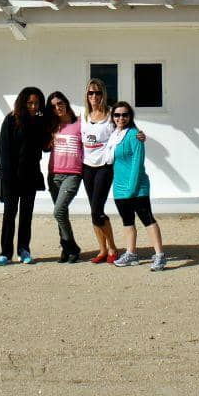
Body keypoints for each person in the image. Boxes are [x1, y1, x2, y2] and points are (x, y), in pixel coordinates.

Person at [108, 101, 166, 271]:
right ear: (113, 117)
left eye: (125, 114)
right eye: (117, 115)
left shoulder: (134, 135)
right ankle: (131, 253)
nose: (121, 118)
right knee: (127, 221)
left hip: (136, 188)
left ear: (130, 116)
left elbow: (137, 164)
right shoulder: (114, 136)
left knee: (147, 219)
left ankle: (160, 255)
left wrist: (132, 189)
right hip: (119, 188)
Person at [0, 86, 46, 266]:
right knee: (9, 214)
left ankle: (24, 249)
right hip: (11, 177)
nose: (33, 106)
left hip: (30, 177)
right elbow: (3, 149)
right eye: (30, 103)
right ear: (23, 102)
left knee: (26, 215)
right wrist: (7, 176)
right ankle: (5, 253)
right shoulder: (11, 120)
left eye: (36, 103)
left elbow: (45, 146)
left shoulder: (39, 122)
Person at [79, 79, 120, 264]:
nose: (94, 96)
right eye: (90, 93)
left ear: (103, 94)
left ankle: (112, 247)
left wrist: (139, 135)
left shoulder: (111, 114)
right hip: (87, 167)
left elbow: (125, 130)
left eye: (97, 93)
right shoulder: (84, 115)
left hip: (104, 166)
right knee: (94, 210)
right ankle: (102, 250)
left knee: (97, 209)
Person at [44, 91, 82, 263]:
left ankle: (72, 247)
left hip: (72, 174)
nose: (57, 107)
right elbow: (43, 146)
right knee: (62, 214)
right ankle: (66, 250)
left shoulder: (80, 123)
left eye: (60, 103)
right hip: (53, 175)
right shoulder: (52, 126)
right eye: (53, 106)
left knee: (58, 211)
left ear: (66, 103)